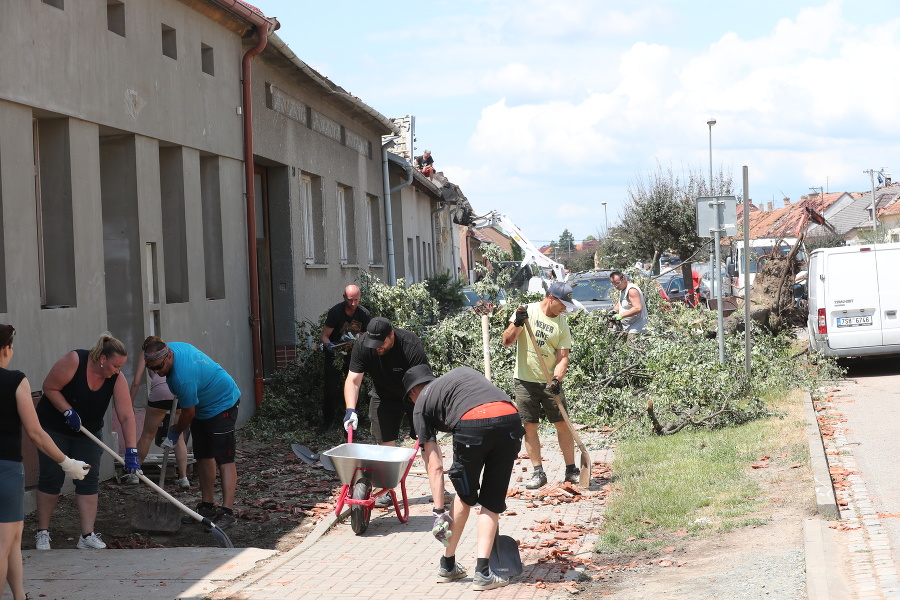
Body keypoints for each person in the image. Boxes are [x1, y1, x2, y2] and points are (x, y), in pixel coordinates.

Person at [403, 364, 525, 591]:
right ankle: (480, 572)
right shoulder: (462, 374)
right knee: (491, 501)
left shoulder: (420, 404)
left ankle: (449, 566)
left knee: (465, 495)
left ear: (412, 392)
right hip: (510, 419)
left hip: (471, 426)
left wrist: (439, 512)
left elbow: (435, 466)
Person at [0, 325, 90, 599]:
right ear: (6, 349)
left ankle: (20, 595)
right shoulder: (16, 380)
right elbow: (36, 433)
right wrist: (67, 462)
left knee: (14, 539)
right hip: (6, 470)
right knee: (4, 543)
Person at [34, 332, 139, 550]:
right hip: (54, 429)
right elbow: (49, 387)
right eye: (115, 366)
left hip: (88, 433)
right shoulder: (75, 361)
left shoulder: (115, 379)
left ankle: (87, 535)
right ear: (102, 359)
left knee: (88, 479)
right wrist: (67, 411)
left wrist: (131, 451)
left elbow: (127, 416)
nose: (118, 371)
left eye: (120, 367)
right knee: (51, 476)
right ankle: (42, 532)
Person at [148, 339, 241, 529]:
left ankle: (227, 512)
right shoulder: (169, 349)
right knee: (203, 455)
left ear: (169, 356)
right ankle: (207, 506)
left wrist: (174, 432)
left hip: (222, 402)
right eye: (152, 369)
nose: (156, 373)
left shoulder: (183, 378)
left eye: (158, 367)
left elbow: (188, 413)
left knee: (224, 458)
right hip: (202, 405)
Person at [343, 317, 429, 506]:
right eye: (374, 344)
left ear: (391, 335)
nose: (377, 348)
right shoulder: (364, 346)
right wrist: (351, 410)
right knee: (385, 446)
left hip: (413, 394)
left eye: (381, 343)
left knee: (426, 442)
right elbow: (353, 380)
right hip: (383, 396)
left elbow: (422, 383)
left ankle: (437, 485)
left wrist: (422, 411)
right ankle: (386, 490)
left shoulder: (410, 343)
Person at [501, 281, 578, 489]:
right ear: (551, 298)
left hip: (549, 382)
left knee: (563, 425)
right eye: (563, 303)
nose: (565, 308)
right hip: (525, 381)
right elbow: (507, 341)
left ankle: (571, 470)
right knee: (529, 427)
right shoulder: (526, 312)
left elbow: (563, 358)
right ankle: (538, 473)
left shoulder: (562, 323)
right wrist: (517, 323)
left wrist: (556, 379)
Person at [129, 337, 190, 489]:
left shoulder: (146, 355)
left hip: (160, 394)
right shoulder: (169, 352)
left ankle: (134, 473)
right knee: (179, 436)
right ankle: (183, 478)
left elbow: (136, 381)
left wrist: (128, 404)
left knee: (147, 435)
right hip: (177, 391)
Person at [318, 285, 370, 433]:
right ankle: (327, 423)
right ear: (343, 297)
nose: (353, 303)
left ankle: (353, 425)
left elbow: (367, 336)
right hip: (334, 355)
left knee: (355, 387)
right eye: (350, 300)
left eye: (356, 300)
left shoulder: (364, 314)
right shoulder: (335, 312)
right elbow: (324, 336)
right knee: (331, 389)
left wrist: (358, 343)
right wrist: (332, 347)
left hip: (354, 356)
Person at [610, 270, 648, 339]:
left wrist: (621, 315)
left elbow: (638, 308)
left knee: (630, 348)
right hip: (628, 328)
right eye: (614, 284)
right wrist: (614, 311)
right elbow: (620, 303)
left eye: (617, 283)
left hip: (636, 329)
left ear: (624, 278)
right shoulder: (623, 289)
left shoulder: (632, 290)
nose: (616, 286)